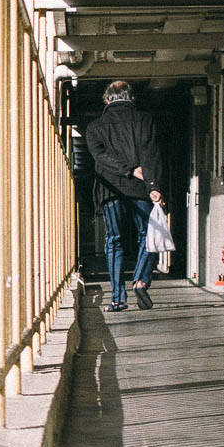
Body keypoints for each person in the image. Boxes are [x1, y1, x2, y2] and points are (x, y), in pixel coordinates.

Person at [85, 80, 164, 312]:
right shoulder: (144, 120)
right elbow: (151, 154)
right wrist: (153, 185)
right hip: (140, 188)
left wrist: (125, 170)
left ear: (107, 100)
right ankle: (140, 279)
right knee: (147, 236)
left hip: (110, 189)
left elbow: (100, 157)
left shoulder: (95, 127)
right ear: (131, 98)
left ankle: (118, 298)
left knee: (114, 240)